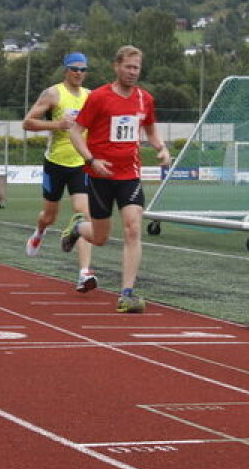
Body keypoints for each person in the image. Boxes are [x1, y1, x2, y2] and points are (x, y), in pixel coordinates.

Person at [61, 45, 171, 313]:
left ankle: (127, 294)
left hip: (130, 174)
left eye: (137, 68)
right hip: (99, 175)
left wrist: (162, 148)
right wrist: (91, 160)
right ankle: (78, 228)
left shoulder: (145, 99)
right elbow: (76, 133)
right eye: (128, 67)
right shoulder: (99, 97)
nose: (133, 72)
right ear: (117, 67)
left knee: (133, 228)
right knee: (99, 237)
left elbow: (151, 130)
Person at [22, 52, 97, 292]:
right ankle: (40, 231)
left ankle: (84, 273)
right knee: (49, 216)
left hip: (80, 164)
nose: (79, 73)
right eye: (75, 69)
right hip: (55, 163)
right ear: (66, 70)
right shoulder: (53, 94)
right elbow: (28, 123)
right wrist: (57, 124)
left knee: (84, 215)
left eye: (83, 70)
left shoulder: (92, 97)